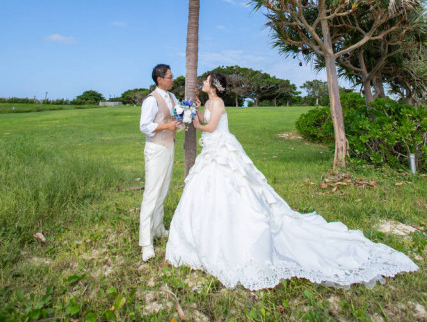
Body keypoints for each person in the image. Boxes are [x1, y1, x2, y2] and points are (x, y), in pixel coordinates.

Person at [165, 72, 418, 290]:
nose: (203, 82)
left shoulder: (218, 104)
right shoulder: (210, 102)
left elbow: (210, 128)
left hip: (221, 150)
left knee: (235, 188)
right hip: (213, 151)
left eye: (207, 81)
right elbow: (206, 120)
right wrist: (195, 109)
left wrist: (195, 120)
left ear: (215, 86)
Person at [139, 63, 180, 262]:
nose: (173, 79)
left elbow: (177, 116)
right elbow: (145, 126)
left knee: (163, 189)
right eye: (170, 77)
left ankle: (158, 228)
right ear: (159, 79)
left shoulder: (172, 98)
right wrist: (166, 125)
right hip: (155, 149)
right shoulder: (151, 100)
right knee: (151, 193)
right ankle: (146, 243)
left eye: (172, 76)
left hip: (169, 146)